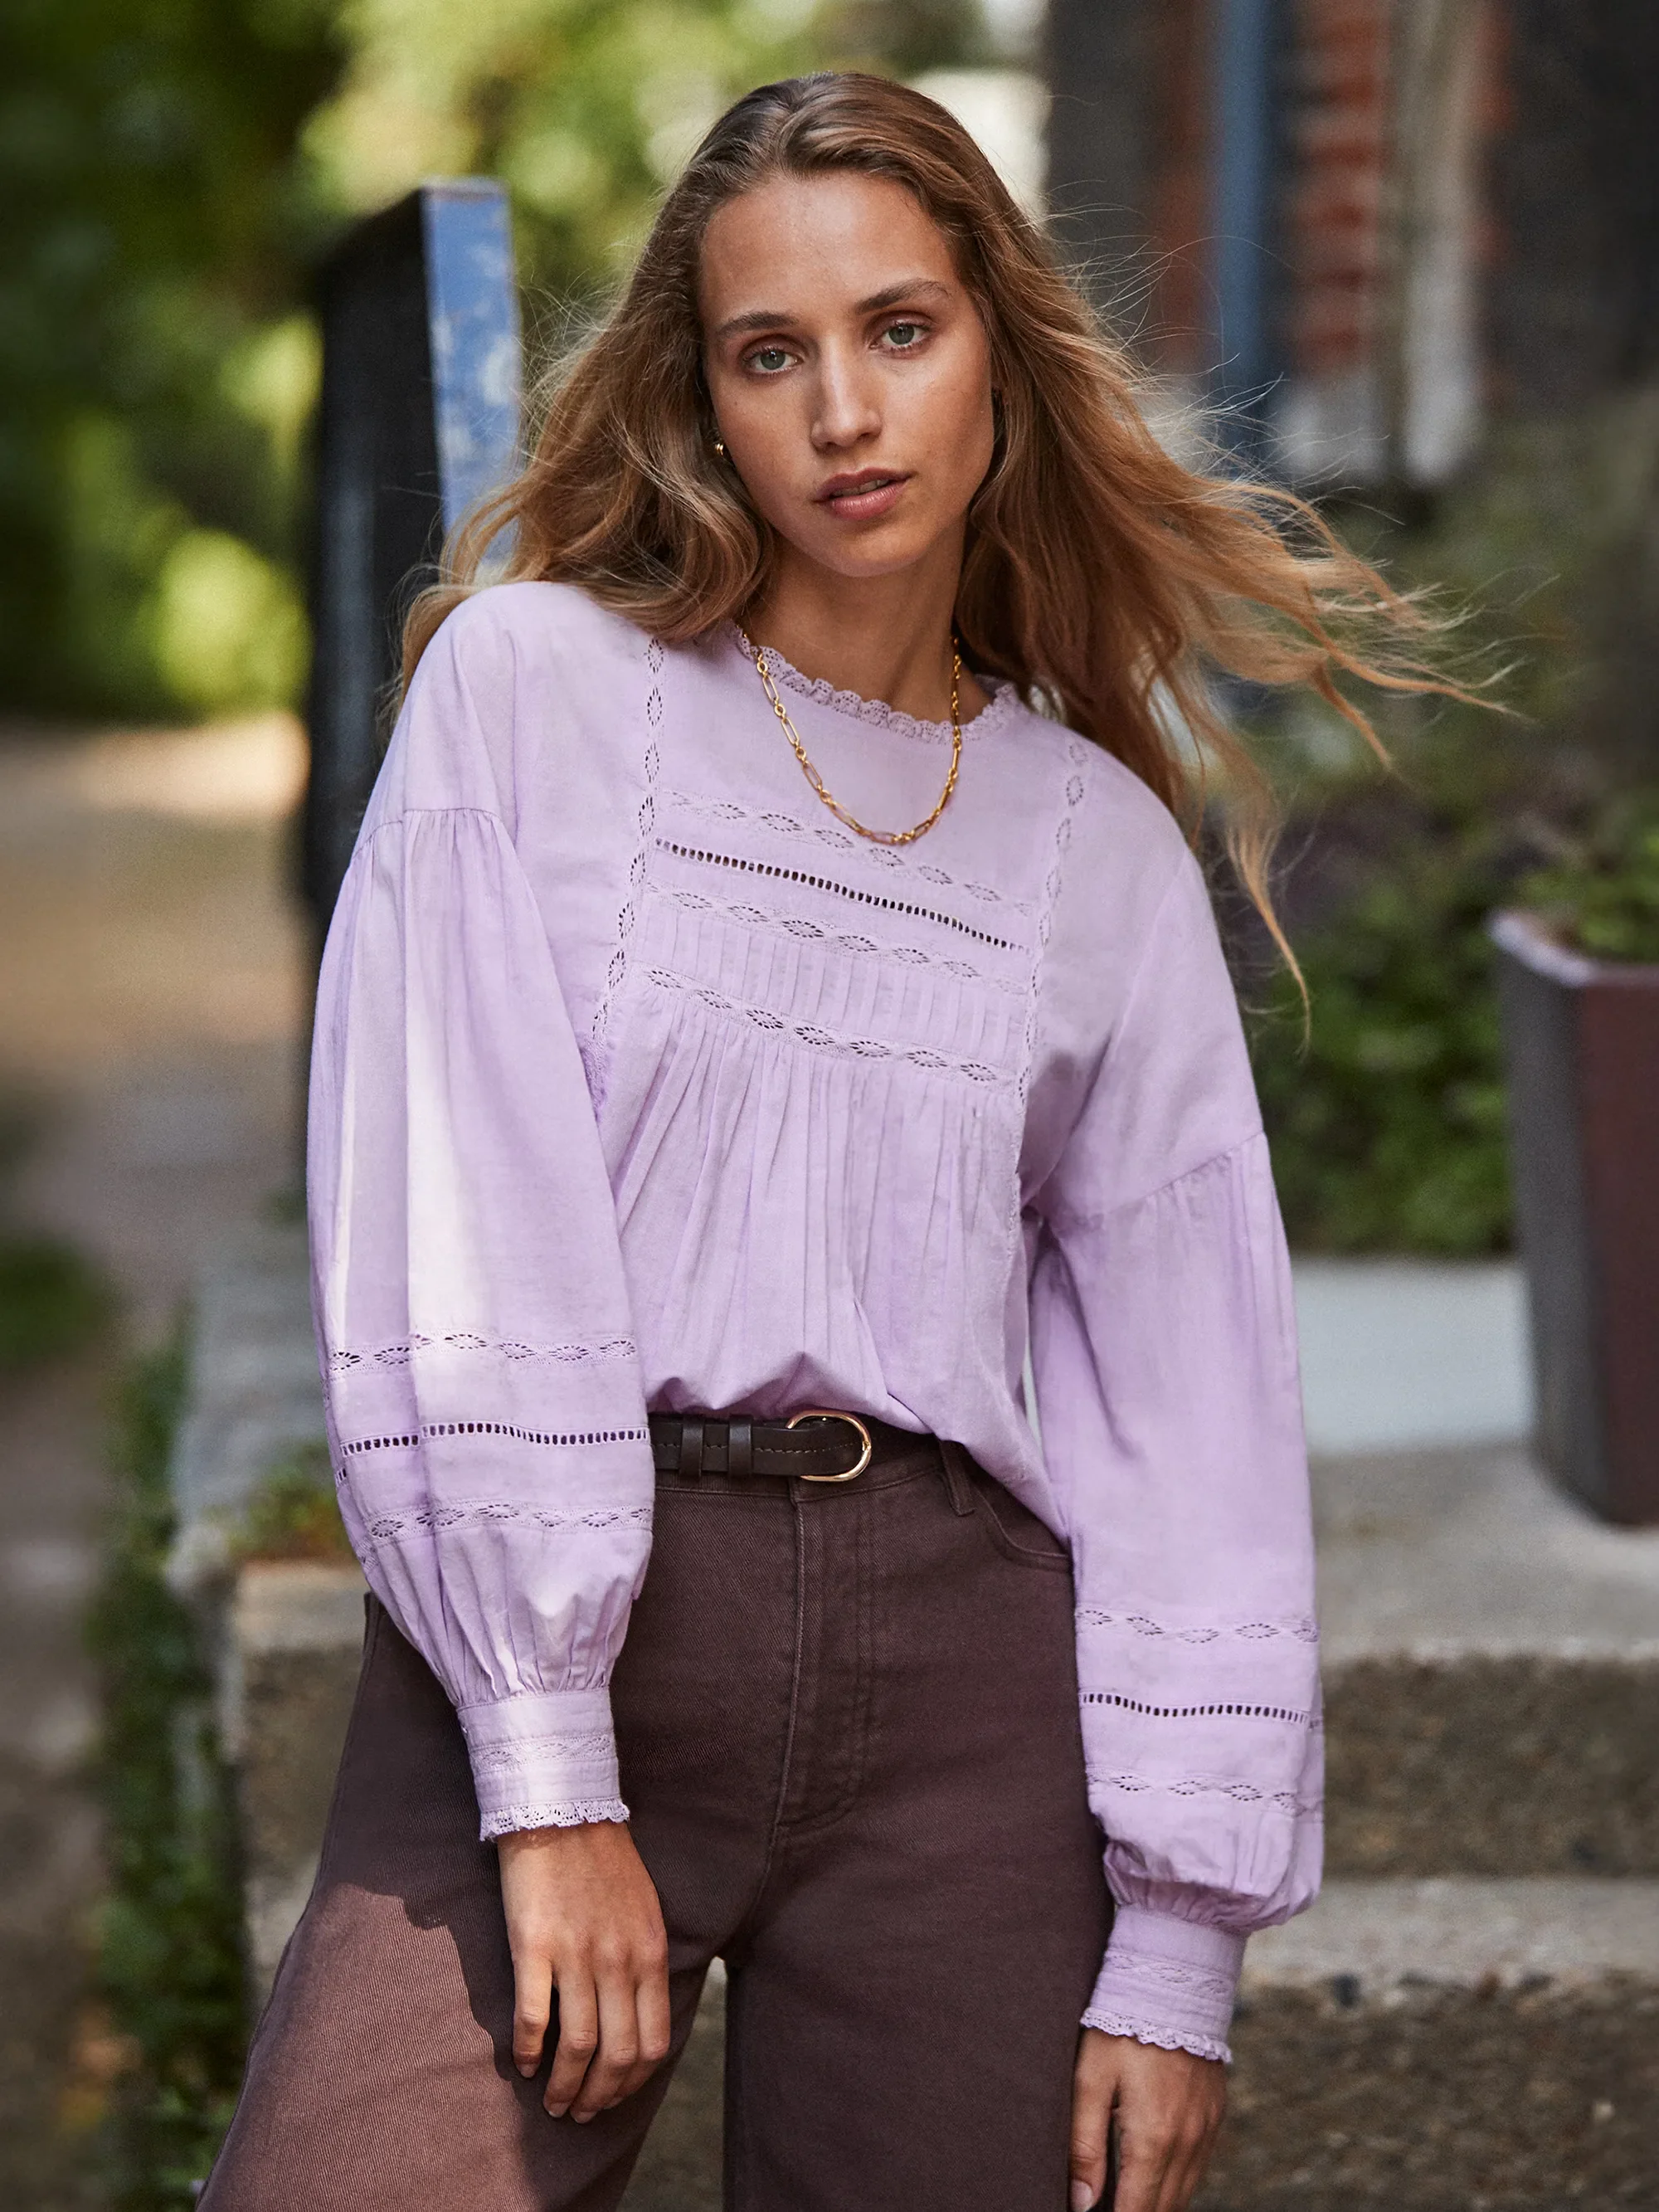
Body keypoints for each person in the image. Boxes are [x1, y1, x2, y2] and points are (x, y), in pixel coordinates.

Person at [200, 71, 1442, 2212]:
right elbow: (456, 1220)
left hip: (964, 1709)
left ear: (1002, 362)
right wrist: (548, 1770)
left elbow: (1191, 1405)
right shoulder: (531, 694)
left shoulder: (1104, 853)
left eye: (901, 330)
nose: (845, 414)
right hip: (578, 1619)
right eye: (772, 354)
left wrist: (1179, 1950)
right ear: (703, 402)